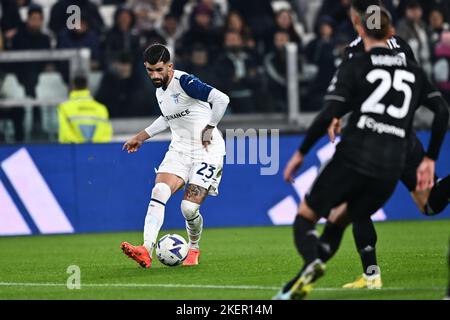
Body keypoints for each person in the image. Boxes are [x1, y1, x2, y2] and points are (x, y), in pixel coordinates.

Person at [275, 6, 449, 300]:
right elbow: (439, 108)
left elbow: (337, 104)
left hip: (361, 145)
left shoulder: (356, 57)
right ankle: (362, 276)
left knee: (321, 213)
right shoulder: (408, 58)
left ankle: (356, 271)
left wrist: (312, 141)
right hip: (399, 146)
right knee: (426, 206)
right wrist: (430, 158)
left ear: (359, 27)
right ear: (391, 30)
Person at [120, 44, 229, 268]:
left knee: (188, 209)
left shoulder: (186, 83)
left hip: (207, 151)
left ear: (170, 66)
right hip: (179, 150)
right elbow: (167, 117)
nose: (155, 75)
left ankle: (194, 247)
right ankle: (145, 249)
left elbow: (221, 99)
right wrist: (141, 137)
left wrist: (210, 127)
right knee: (159, 190)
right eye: (150, 70)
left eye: (159, 70)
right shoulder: (160, 91)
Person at [58, 75, 112, 143]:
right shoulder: (101, 108)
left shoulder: (64, 107)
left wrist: (79, 144)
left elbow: (65, 131)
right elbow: (106, 133)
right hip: (97, 150)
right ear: (87, 87)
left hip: (72, 150)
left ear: (73, 87)